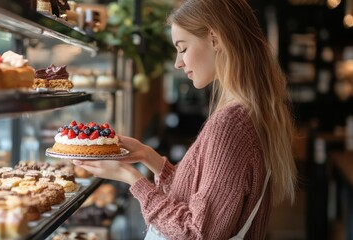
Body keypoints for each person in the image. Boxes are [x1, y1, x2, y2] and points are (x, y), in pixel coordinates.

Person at [72, 0, 297, 239]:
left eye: (183, 48)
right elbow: (204, 198)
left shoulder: (231, 123)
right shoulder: (250, 112)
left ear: (215, 38)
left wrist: (130, 177)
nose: (178, 63)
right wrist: (149, 157)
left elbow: (195, 233)